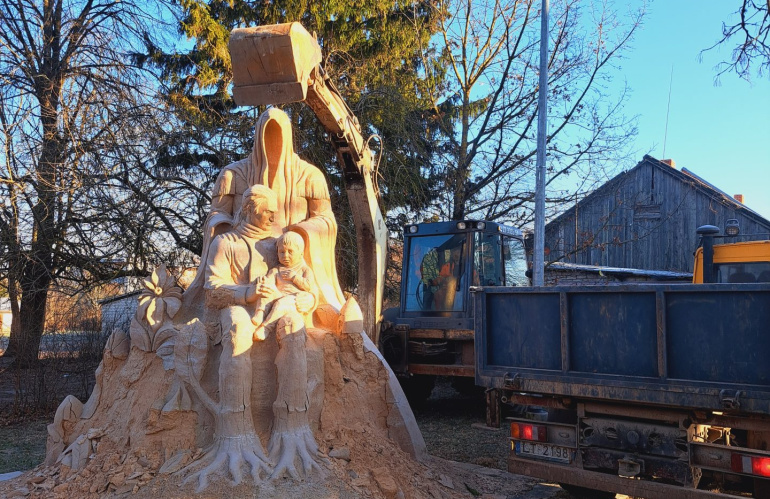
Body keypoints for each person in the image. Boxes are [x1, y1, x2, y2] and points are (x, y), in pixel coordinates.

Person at [189, 108, 344, 318]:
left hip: (291, 257)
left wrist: (295, 234)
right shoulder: (232, 174)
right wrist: (236, 236)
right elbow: (216, 215)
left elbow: (326, 221)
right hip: (241, 255)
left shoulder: (310, 176)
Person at [252, 231, 319, 341]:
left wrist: (295, 277)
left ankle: (266, 327)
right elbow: (269, 281)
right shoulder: (276, 270)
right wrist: (264, 281)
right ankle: (260, 313)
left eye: (290, 252)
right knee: (266, 289)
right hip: (279, 295)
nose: (285, 256)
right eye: (281, 252)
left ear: (301, 253)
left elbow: (308, 286)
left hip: (293, 300)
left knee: (280, 304)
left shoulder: (304, 270)